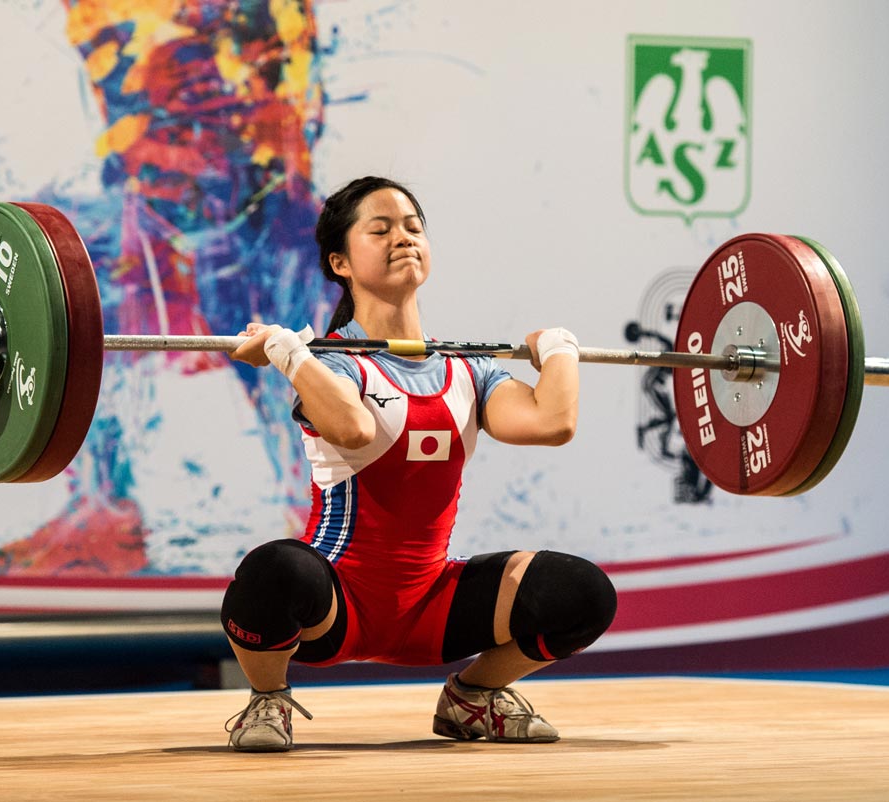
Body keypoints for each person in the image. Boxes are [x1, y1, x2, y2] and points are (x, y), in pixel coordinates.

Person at [223, 176, 617, 752]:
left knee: (584, 594)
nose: (403, 238)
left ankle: (473, 697)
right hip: (336, 606)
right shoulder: (334, 362)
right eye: (380, 229)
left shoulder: (469, 369)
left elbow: (551, 422)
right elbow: (352, 427)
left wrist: (559, 349)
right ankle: (268, 699)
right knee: (273, 570)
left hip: (432, 606)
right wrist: (291, 354)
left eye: (413, 227)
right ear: (339, 262)